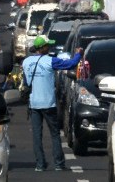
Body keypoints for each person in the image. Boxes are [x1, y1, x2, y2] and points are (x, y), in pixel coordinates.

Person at [22, 35, 83, 172]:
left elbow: (26, 83)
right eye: (47, 45)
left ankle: (40, 165)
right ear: (42, 47)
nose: (48, 47)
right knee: (55, 134)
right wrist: (78, 55)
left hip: (33, 103)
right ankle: (59, 163)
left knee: (37, 135)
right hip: (48, 103)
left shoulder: (26, 62)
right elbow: (71, 64)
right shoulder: (50, 61)